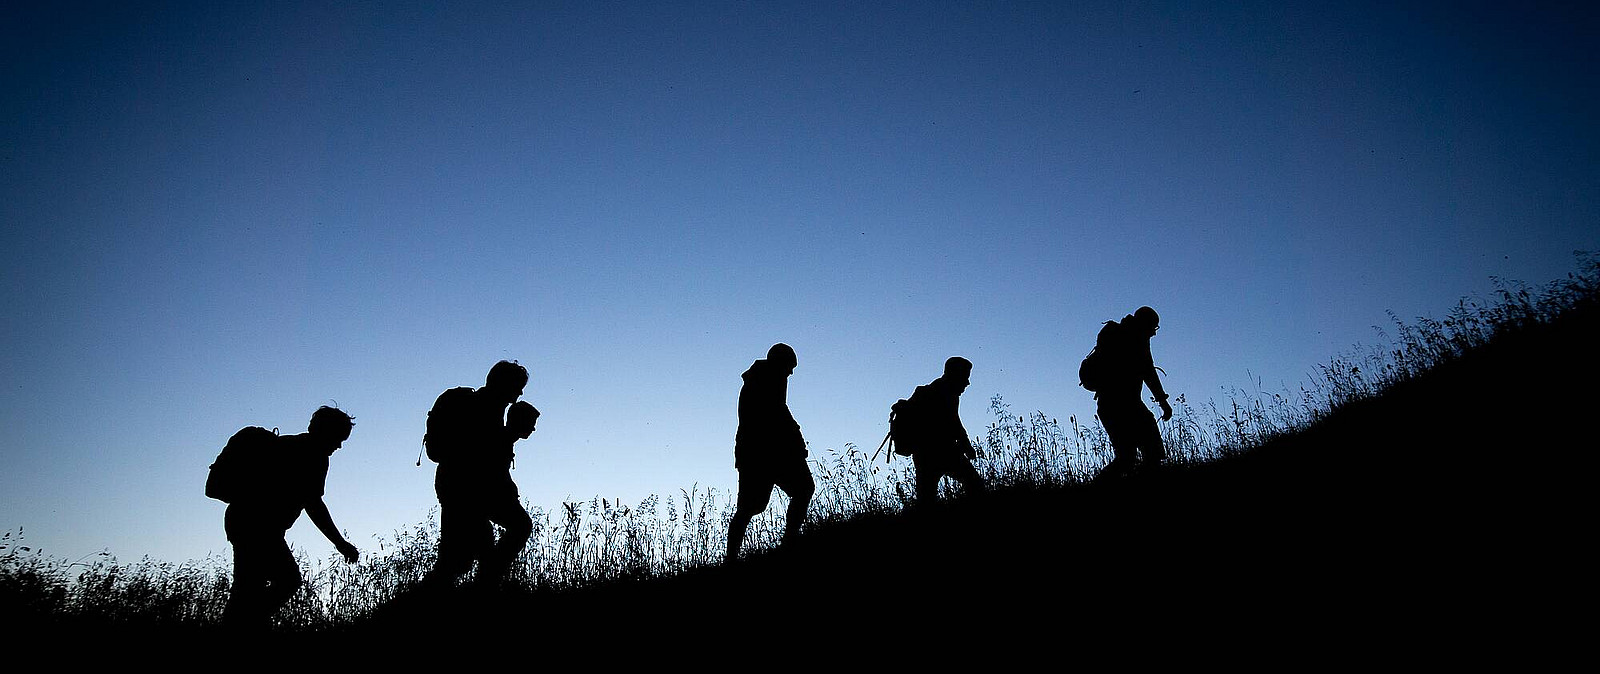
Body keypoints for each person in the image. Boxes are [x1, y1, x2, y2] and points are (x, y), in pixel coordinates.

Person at [222, 406, 360, 627]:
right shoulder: (313, 455)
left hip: (243, 520)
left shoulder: (288, 444)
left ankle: (243, 623)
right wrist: (341, 543)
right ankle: (246, 623)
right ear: (326, 432)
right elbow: (313, 504)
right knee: (286, 581)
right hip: (258, 526)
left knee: (247, 587)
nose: (339, 445)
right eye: (339, 437)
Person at [425, 360, 537, 587]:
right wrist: (512, 434)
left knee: (460, 558)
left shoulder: (491, 408)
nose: (519, 393)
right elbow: (481, 458)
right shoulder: (484, 408)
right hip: (465, 491)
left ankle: (481, 587)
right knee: (460, 558)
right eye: (517, 386)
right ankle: (481, 589)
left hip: (457, 488)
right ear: (504, 384)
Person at [726, 343, 814, 561]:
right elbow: (777, 414)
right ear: (780, 362)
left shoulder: (761, 378)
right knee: (751, 507)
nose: (791, 373)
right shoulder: (768, 378)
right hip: (767, 453)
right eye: (790, 367)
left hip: (757, 453)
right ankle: (788, 541)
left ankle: (732, 558)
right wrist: (796, 441)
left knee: (750, 508)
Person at [1092, 306, 1173, 480]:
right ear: (1145, 324)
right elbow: (1148, 372)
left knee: (1128, 458)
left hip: (1111, 405)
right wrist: (1163, 402)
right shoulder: (1136, 339)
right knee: (1144, 455)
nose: (1154, 333)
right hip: (1123, 405)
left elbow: (1146, 371)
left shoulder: (1115, 333)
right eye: (1153, 327)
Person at [906, 357, 987, 503]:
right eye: (965, 377)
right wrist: (966, 445)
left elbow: (954, 422)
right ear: (955, 374)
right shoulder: (944, 393)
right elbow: (953, 423)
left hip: (924, 454)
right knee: (975, 485)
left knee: (926, 500)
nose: (967, 383)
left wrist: (965, 444)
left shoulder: (940, 391)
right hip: (942, 452)